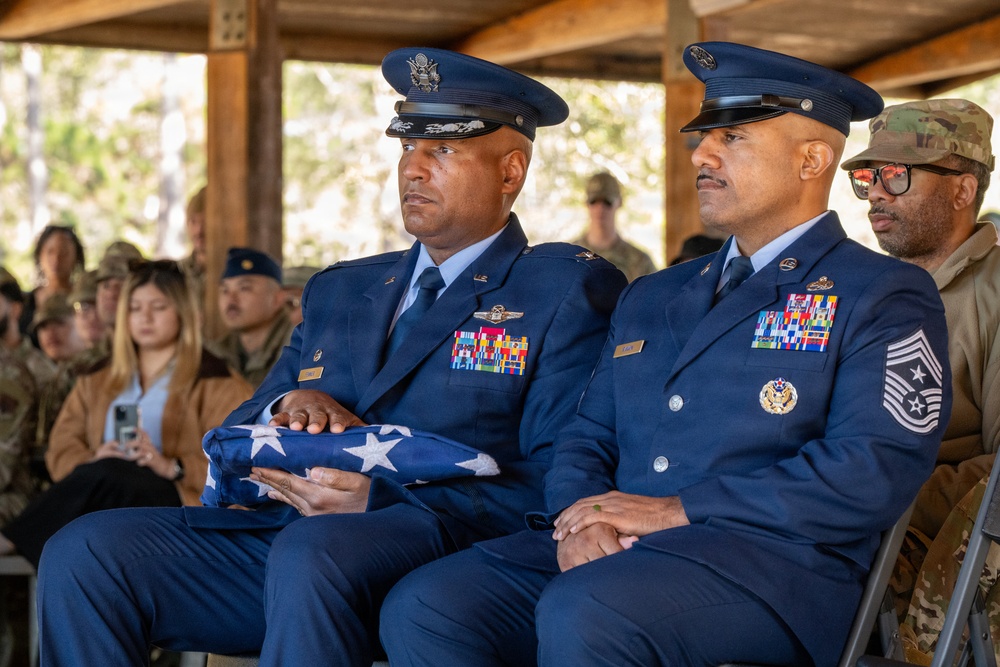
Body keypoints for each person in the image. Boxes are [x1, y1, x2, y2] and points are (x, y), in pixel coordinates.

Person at [36, 47, 626, 666]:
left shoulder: (561, 290)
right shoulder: (342, 289)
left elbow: (558, 479)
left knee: (314, 551)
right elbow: (247, 418)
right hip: (288, 536)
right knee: (85, 552)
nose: (413, 170)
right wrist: (292, 403)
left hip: (442, 551)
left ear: (511, 172)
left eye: (442, 151)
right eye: (406, 148)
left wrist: (380, 499)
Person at [379, 41, 952, 667]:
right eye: (704, 137)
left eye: (732, 138)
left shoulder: (881, 291)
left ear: (812, 159)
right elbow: (585, 435)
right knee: (430, 605)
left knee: (589, 610)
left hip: (769, 569)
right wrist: (583, 518)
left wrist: (678, 510)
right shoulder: (656, 293)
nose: (701, 154)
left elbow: (871, 468)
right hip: (618, 549)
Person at [840, 99, 999, 659]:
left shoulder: (994, 293)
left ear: (962, 189)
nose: (877, 192)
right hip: (842, 513)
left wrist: (873, 499)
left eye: (896, 174)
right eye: (869, 176)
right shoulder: (863, 288)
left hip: (911, 537)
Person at [0, 260, 252, 567]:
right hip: (104, 503)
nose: (144, 317)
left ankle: (14, 539)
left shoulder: (217, 380)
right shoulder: (98, 378)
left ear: (182, 313)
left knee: (113, 472)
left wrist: (172, 467)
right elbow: (62, 446)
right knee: (109, 471)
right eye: (134, 308)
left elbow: (240, 463)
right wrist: (91, 460)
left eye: (158, 307)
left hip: (178, 505)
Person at [207, 248, 294, 388]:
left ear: (278, 299)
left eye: (244, 288)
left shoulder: (298, 348)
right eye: (225, 290)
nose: (231, 300)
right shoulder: (215, 353)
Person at [573, 171, 657, 282]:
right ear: (586, 203)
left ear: (619, 202)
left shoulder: (640, 262)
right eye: (594, 201)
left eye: (607, 202)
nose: (600, 209)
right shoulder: (571, 257)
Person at [18, 225, 85, 338]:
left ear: (76, 257)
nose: (56, 259)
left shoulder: (85, 301)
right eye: (50, 252)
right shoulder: (25, 303)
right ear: (40, 256)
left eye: (64, 252)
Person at [178, 185, 207, 313]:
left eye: (206, 222)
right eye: (193, 222)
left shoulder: (233, 272)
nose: (198, 231)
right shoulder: (177, 272)